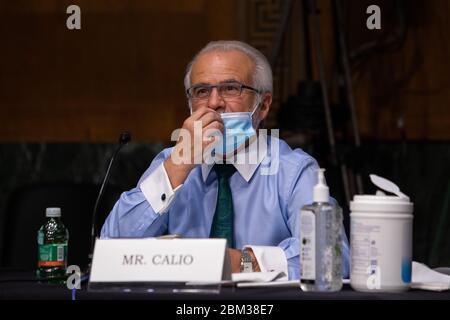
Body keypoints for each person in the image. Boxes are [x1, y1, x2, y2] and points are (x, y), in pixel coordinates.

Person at [101, 40, 350, 279]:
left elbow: (332, 258)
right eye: (201, 91)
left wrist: (244, 262)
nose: (214, 103)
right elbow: (111, 249)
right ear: (190, 105)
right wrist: (177, 166)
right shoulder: (172, 163)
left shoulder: (293, 172)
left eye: (231, 88)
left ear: (263, 105)